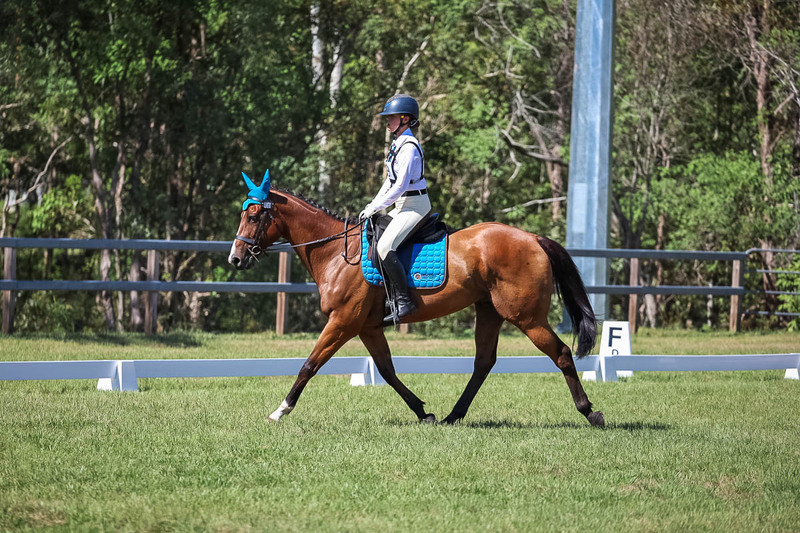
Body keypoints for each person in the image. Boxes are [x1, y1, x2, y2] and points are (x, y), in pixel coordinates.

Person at [359, 94, 431, 324]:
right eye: (387, 118)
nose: (387, 122)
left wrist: (377, 207)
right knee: (375, 237)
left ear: (406, 119)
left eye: (391, 118)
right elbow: (389, 182)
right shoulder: (397, 144)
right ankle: (389, 297)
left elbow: (400, 186)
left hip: (415, 205)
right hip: (402, 205)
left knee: (385, 246)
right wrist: (372, 205)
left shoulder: (409, 147)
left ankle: (405, 302)